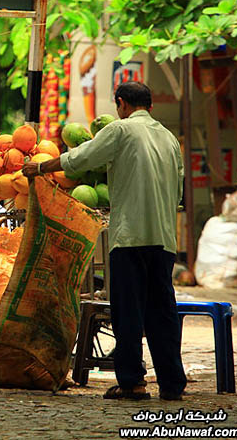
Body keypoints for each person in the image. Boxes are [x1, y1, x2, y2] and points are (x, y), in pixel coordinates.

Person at [22, 81, 187, 401]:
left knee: (128, 311)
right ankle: (171, 384)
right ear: (150, 106)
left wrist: (40, 167)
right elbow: (178, 191)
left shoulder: (121, 130)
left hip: (129, 237)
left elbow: (81, 158)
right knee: (162, 313)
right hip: (164, 239)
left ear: (122, 104)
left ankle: (131, 382)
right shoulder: (169, 139)